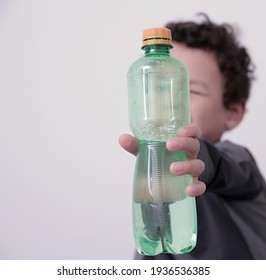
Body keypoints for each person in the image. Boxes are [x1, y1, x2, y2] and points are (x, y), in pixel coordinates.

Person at [119, 13, 266, 259]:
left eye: (187, 90)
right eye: (157, 88)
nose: (167, 102)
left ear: (232, 112)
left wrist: (198, 161)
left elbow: (219, 166)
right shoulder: (151, 171)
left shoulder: (239, 163)